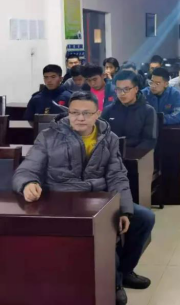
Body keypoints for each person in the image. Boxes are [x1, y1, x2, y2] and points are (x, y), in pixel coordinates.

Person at [13, 91, 155, 305]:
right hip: (61, 198)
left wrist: (124, 209)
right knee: (103, 231)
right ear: (68, 113)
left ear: (97, 114)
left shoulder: (109, 138)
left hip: (99, 199)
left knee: (144, 218)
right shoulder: (49, 136)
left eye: (86, 113)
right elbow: (26, 170)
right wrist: (27, 184)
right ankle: (113, 283)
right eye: (75, 112)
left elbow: (117, 176)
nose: (80, 118)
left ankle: (122, 271)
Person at [102, 71, 158, 150]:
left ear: (136, 89)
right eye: (118, 89)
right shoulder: (108, 110)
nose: (122, 93)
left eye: (126, 89)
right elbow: (101, 137)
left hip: (137, 154)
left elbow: (149, 141)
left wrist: (132, 154)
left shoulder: (148, 111)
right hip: (112, 153)